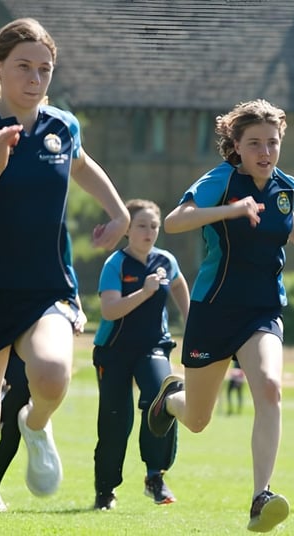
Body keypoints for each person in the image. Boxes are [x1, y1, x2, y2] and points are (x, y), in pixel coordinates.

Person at [0, 18, 129, 536]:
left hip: (49, 288)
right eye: (23, 67)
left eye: (45, 69)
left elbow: (81, 165)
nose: (35, 78)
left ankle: (35, 422)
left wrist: (118, 213)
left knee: (51, 374)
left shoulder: (63, 126)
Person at [147, 99, 294, 532]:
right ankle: (171, 400)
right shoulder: (222, 180)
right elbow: (176, 221)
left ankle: (260, 497)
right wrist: (232, 209)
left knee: (270, 387)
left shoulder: (287, 187)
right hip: (214, 309)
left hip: (263, 310)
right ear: (236, 145)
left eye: (272, 142)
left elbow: (289, 219)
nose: (265, 152)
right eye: (254, 143)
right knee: (197, 419)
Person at [92, 199, 190, 511]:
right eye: (141, 226)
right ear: (127, 230)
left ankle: (155, 476)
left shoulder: (166, 260)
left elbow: (178, 285)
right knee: (115, 422)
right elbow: (109, 310)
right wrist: (145, 292)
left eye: (154, 226)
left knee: (164, 398)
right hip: (114, 351)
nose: (149, 232)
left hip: (154, 347)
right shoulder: (115, 264)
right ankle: (106, 490)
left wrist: (190, 320)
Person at [0, 301, 86, 513]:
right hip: (11, 340)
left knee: (13, 429)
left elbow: (70, 290)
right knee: (0, 422)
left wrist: (78, 313)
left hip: (38, 348)